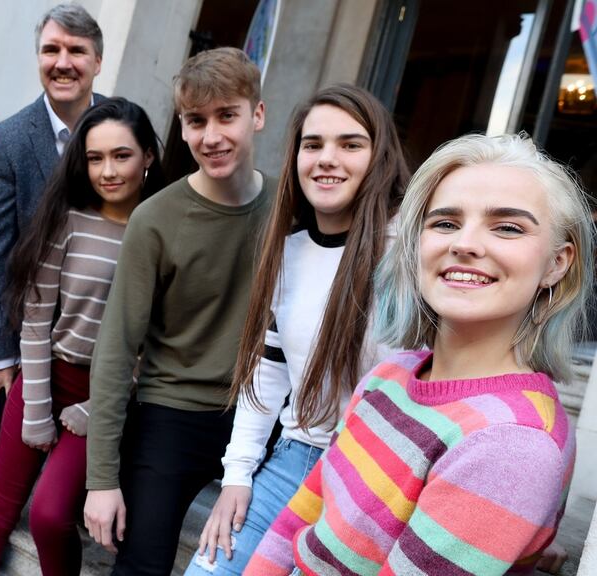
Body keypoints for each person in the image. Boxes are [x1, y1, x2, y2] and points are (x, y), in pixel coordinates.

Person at [247, 132, 586, 576]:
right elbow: (305, 513)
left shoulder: (513, 442)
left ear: (557, 263)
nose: (465, 244)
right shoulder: (390, 374)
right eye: (444, 223)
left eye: (507, 227)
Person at [184, 85, 409, 575]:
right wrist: (237, 477)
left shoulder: (410, 255)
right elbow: (267, 375)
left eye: (350, 145)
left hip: (385, 473)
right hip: (295, 457)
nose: (327, 159)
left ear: (379, 157)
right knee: (209, 568)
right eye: (313, 145)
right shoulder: (288, 252)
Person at [83, 47, 276, 575]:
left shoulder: (290, 209)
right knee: (140, 563)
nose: (210, 136)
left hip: (262, 414)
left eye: (226, 116)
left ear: (257, 115)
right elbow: (116, 348)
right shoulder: (156, 219)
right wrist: (101, 479)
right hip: (172, 410)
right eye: (196, 121)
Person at [0, 98, 166, 575]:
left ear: (148, 156)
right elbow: (36, 316)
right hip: (43, 377)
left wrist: (98, 408)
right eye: (95, 158)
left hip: (104, 397)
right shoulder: (69, 218)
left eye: (122, 155)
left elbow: (158, 341)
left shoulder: (161, 232)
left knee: (50, 516)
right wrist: (35, 406)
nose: (107, 171)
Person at [0, 4, 104, 573]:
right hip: (30, 336)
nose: (63, 63)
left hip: (102, 336)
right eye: (51, 50)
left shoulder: (120, 125)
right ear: (39, 58)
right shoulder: (10, 139)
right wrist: (0, 351)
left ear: (97, 61)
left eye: (76, 52)